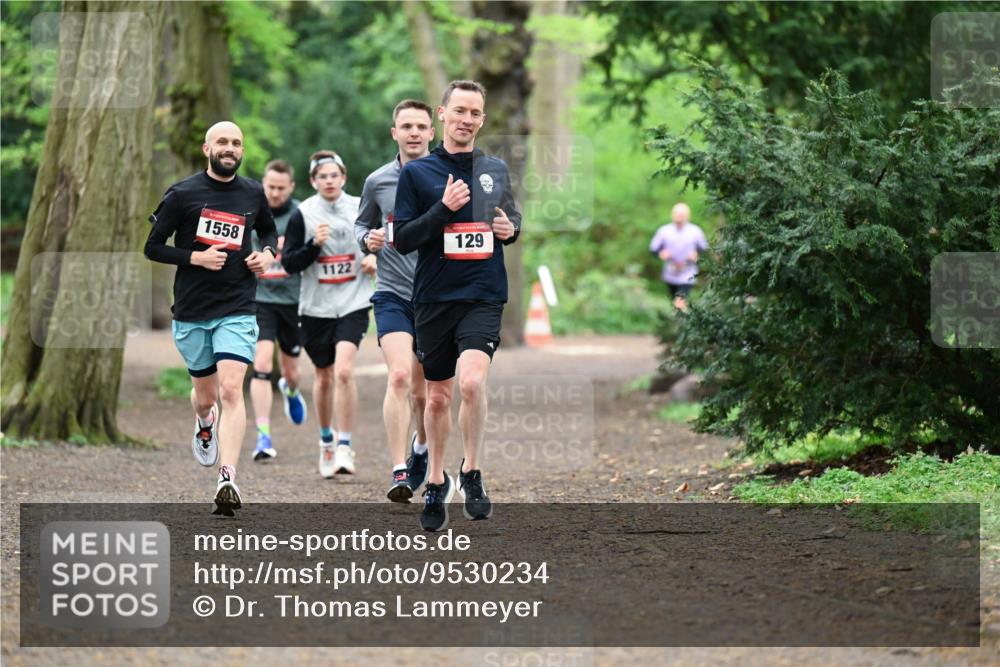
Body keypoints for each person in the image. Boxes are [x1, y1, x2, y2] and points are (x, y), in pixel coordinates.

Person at [394, 80, 522, 531]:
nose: (467, 120)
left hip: (484, 293)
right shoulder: (418, 174)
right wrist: (443, 210)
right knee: (438, 396)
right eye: (460, 111)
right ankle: (434, 479)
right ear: (442, 114)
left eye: (475, 113)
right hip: (433, 297)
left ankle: (471, 471)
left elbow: (510, 216)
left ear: (482, 120)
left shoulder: (495, 170)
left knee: (471, 384)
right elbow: (403, 238)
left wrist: (511, 229)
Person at [144, 121, 277, 516]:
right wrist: (195, 257)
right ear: (207, 148)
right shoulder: (182, 194)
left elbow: (269, 233)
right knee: (206, 397)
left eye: (236, 142)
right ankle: (205, 423)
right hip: (192, 310)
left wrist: (267, 255)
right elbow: (152, 248)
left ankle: (227, 477)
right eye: (222, 141)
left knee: (232, 389)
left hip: (237, 306)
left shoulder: (254, 192)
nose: (230, 148)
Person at [355, 99, 435, 503]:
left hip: (435, 297)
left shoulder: (446, 178)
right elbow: (361, 223)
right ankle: (399, 470)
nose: (414, 133)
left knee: (424, 394)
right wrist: (365, 240)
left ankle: (421, 446)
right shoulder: (377, 181)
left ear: (432, 133)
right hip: (391, 294)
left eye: (421, 126)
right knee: (400, 377)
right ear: (395, 133)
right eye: (407, 126)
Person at [282, 151, 376, 479]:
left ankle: (346, 444)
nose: (329, 181)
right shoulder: (303, 214)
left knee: (345, 371)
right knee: (323, 375)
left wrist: (374, 258)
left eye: (334, 175)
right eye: (323, 177)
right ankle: (326, 441)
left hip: (354, 300)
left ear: (344, 177)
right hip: (316, 307)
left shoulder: (360, 207)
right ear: (313, 182)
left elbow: (379, 241)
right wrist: (313, 246)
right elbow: (289, 263)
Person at [250, 159, 308, 462]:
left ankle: (290, 390)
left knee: (291, 372)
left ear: (291, 187)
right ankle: (263, 436)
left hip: (293, 301)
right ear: (263, 183)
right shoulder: (251, 210)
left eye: (280, 188)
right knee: (261, 365)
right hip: (260, 299)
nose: (274, 193)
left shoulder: (301, 213)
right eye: (270, 186)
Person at [649, 203, 708, 311]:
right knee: (675, 303)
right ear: (672, 215)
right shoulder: (664, 231)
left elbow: (704, 249)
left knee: (679, 301)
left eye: (682, 214)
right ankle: (680, 322)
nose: (679, 216)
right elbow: (653, 249)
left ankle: (682, 321)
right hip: (670, 272)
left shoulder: (695, 231)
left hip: (688, 272)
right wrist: (661, 254)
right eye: (677, 214)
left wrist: (696, 255)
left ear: (688, 215)